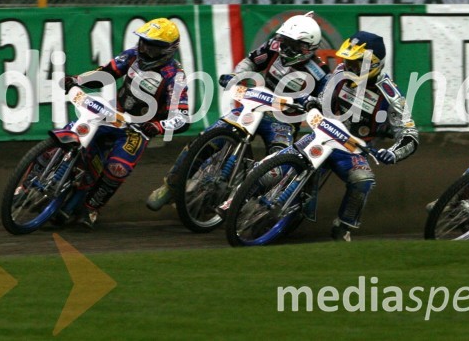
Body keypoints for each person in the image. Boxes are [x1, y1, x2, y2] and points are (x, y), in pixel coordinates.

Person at [146, 12, 328, 211]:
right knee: (205, 138)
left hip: (283, 123)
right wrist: (236, 75)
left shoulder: (319, 71)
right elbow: (251, 62)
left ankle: (250, 205)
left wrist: (311, 103)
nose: (284, 46)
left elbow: (324, 103)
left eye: (291, 43)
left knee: (278, 168)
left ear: (307, 47)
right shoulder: (273, 46)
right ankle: (171, 186)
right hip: (254, 107)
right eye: (284, 40)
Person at [61, 18, 190, 229]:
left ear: (168, 50)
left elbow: (183, 117)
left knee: (118, 167)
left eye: (153, 47)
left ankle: (92, 207)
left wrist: (157, 126)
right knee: (74, 131)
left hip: (138, 129)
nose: (146, 49)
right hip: (113, 113)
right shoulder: (132, 55)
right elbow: (105, 73)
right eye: (144, 43)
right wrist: (77, 80)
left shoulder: (175, 76)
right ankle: (43, 174)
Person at [290, 31, 418, 241]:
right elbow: (323, 97)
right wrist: (312, 102)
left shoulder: (391, 94)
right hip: (323, 133)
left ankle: (343, 227)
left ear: (372, 64)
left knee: (363, 179)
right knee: (283, 162)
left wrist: (392, 154)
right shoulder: (340, 71)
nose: (348, 67)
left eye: (355, 63)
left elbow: (410, 134)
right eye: (347, 61)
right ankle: (244, 192)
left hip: (352, 148)